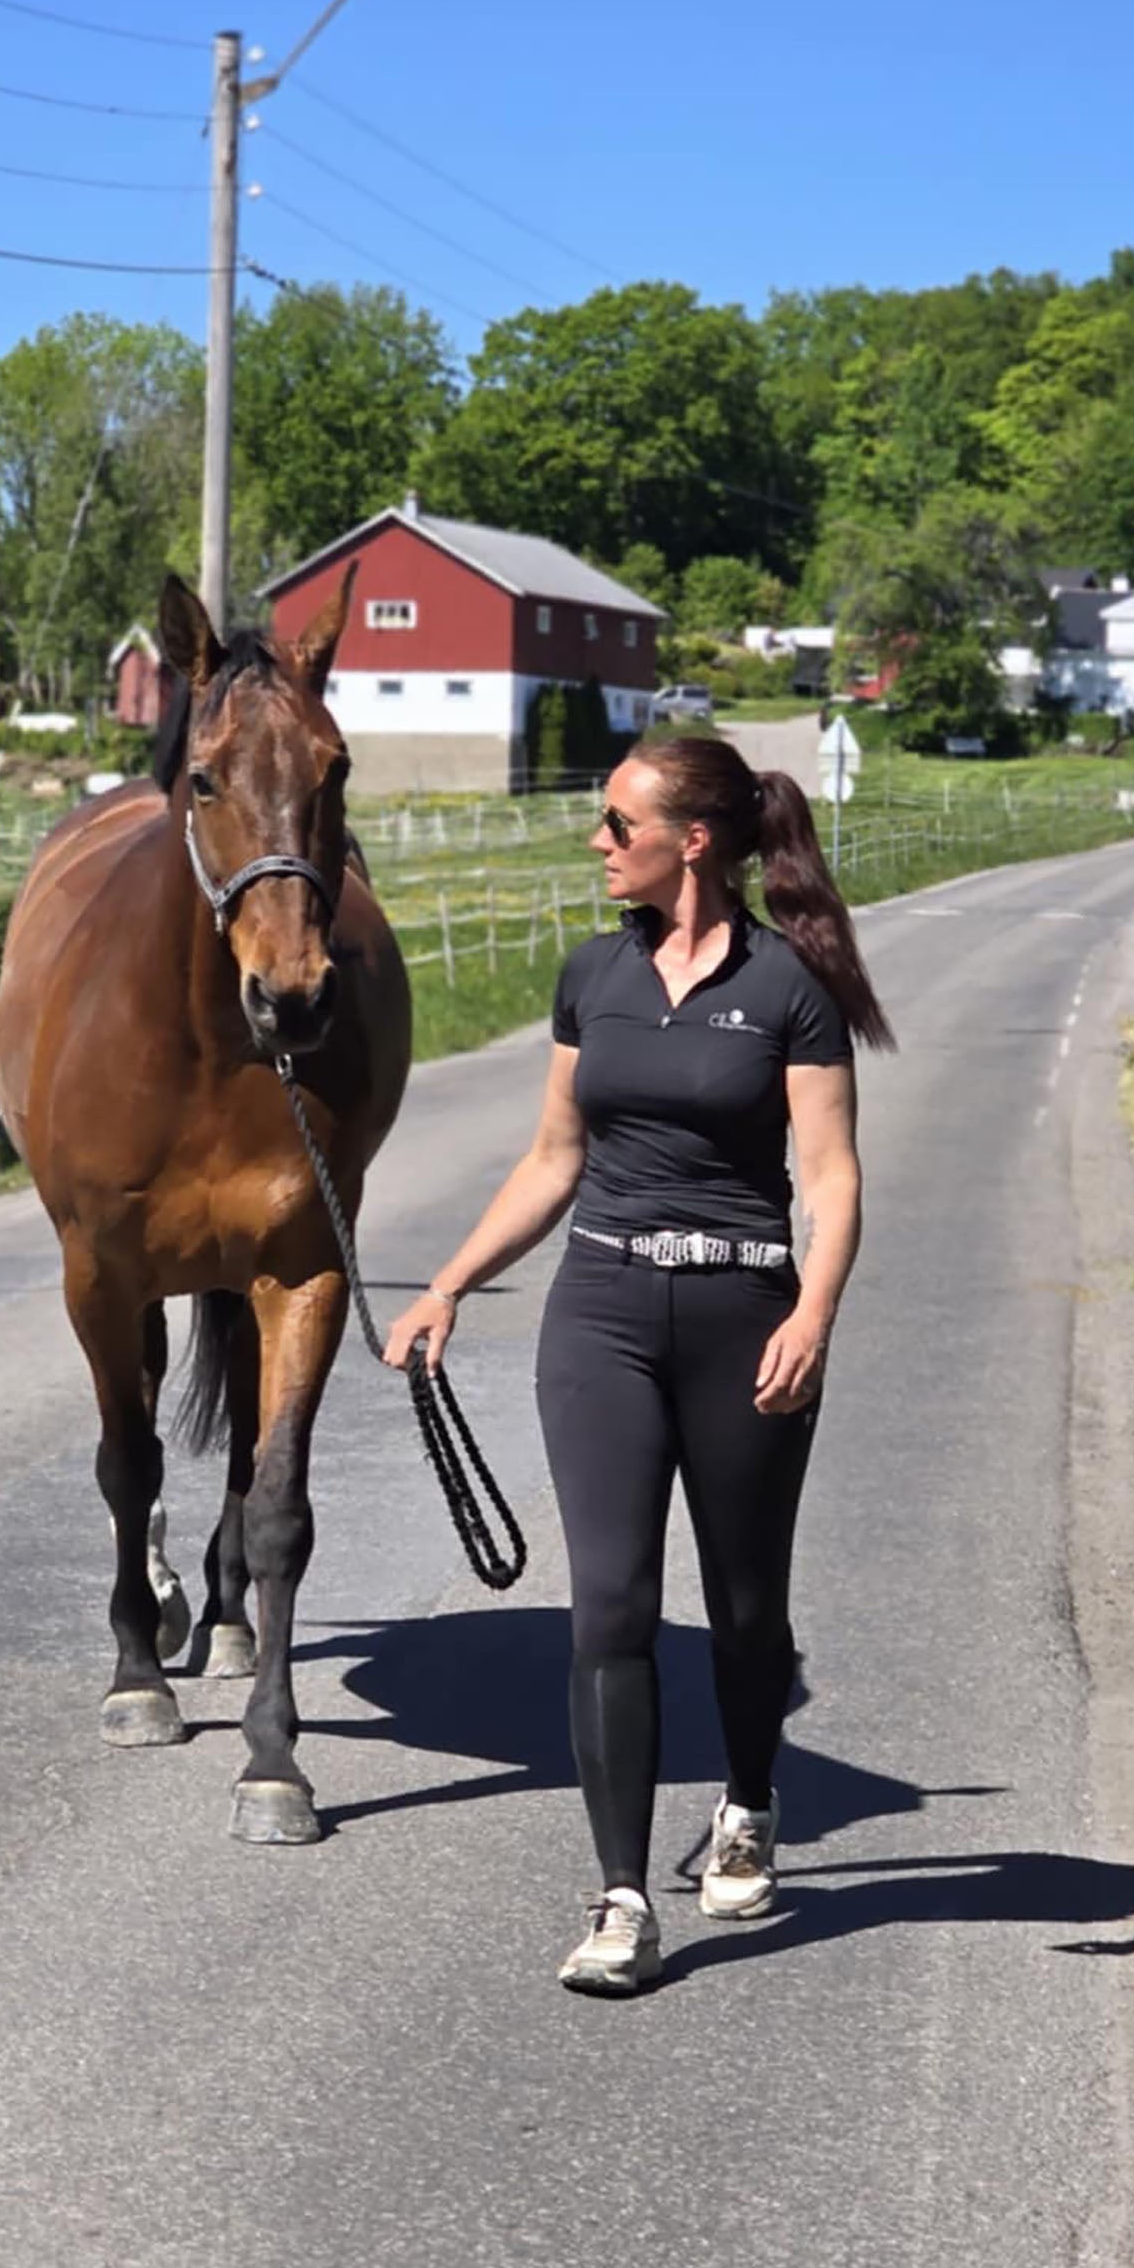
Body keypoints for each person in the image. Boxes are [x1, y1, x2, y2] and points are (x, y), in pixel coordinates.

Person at [381, 737, 895, 1995]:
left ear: (693, 841)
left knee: (741, 1607)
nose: (598, 840)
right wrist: (447, 1284)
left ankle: (750, 1797)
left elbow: (826, 1172)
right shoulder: (590, 976)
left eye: (618, 821)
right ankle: (620, 1898)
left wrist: (812, 1310)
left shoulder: (787, 986)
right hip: (600, 1309)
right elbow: (554, 1158)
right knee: (607, 1603)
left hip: (742, 1312)